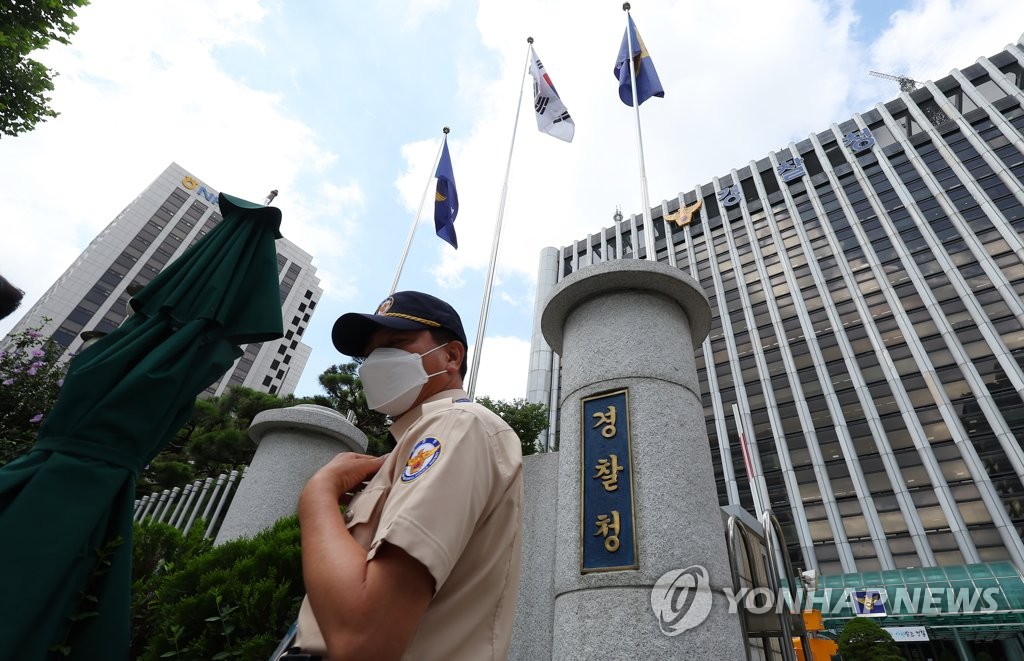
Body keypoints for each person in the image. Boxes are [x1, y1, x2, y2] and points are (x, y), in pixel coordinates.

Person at [288, 290, 524, 661]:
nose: (376, 364)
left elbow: (362, 641)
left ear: (451, 356)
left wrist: (318, 494)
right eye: (370, 355)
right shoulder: (413, 447)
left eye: (397, 344)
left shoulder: (457, 426)